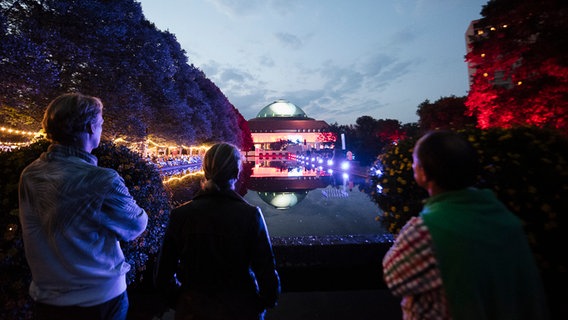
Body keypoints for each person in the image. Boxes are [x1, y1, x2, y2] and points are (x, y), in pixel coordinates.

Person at [382, 130, 549, 320]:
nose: (413, 166)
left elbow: (394, 278)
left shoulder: (426, 231)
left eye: (415, 162)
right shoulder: (506, 219)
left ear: (424, 173)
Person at [18, 92, 148, 320]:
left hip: (46, 299)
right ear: (89, 127)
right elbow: (135, 225)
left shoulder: (29, 175)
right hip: (99, 298)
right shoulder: (102, 180)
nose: (101, 129)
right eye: (100, 124)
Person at [154, 142, 280, 320]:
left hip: (192, 309)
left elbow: (163, 275)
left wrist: (182, 301)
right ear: (236, 173)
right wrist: (263, 302)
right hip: (241, 308)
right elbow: (266, 271)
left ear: (205, 171)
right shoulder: (250, 215)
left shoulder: (180, 215)